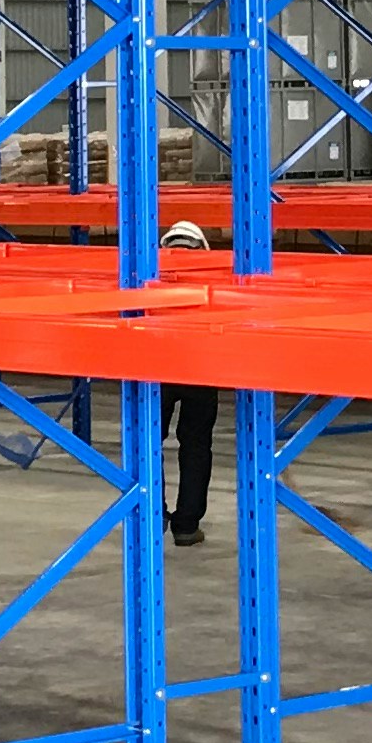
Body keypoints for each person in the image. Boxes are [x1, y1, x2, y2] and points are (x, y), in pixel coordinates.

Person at [159, 218, 221, 546]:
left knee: (148, 445)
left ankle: (151, 516)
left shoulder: (149, 272)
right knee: (196, 446)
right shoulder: (213, 276)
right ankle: (186, 525)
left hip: (157, 367)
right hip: (200, 367)